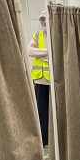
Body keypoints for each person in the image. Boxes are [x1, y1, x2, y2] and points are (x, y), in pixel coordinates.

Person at [27, 10, 50, 147]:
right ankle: (45, 140)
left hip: (53, 81)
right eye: (41, 19)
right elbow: (29, 51)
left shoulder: (57, 34)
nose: (43, 22)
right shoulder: (37, 35)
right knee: (41, 111)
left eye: (45, 19)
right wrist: (46, 53)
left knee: (54, 112)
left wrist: (39, 53)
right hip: (40, 80)